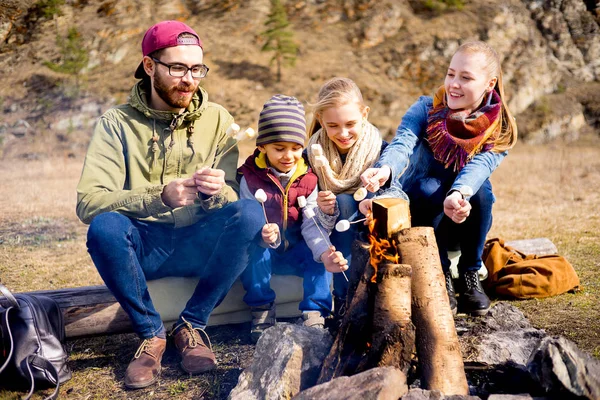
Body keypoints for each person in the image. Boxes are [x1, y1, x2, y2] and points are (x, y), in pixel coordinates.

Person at [76, 21, 264, 389]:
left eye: (197, 69)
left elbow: (230, 196)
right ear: (149, 66)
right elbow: (89, 202)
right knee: (105, 227)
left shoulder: (219, 120)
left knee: (250, 214)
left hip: (200, 244)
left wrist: (216, 193)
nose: (189, 79)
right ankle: (151, 333)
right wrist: (158, 196)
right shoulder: (116, 124)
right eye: (177, 68)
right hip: (145, 245)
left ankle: (192, 325)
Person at [360, 41, 518, 316]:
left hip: (461, 215)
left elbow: (479, 168)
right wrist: (386, 169)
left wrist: (459, 194)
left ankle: (470, 274)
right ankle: (441, 272)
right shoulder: (425, 109)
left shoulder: (498, 126)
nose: (453, 84)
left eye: (466, 78)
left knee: (482, 192)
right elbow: (402, 144)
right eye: (451, 74)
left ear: (489, 83)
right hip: (423, 210)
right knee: (429, 187)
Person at [237, 94, 348, 342]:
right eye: (279, 148)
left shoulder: (309, 180)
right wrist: (262, 233)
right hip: (267, 249)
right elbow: (248, 218)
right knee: (255, 254)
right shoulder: (250, 178)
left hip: (298, 248)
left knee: (320, 255)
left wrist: (323, 251)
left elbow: (311, 224)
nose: (289, 155)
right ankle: (262, 310)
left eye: (296, 148)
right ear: (262, 146)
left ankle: (314, 312)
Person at [306, 77, 388, 314]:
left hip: (371, 230)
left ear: (365, 114)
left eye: (350, 123)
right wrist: (320, 204)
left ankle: (364, 297)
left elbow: (398, 190)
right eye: (332, 125)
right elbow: (304, 202)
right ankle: (343, 301)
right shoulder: (310, 156)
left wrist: (376, 199)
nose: (342, 133)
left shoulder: (382, 152)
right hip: (330, 234)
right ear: (321, 120)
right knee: (341, 201)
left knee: (346, 202)